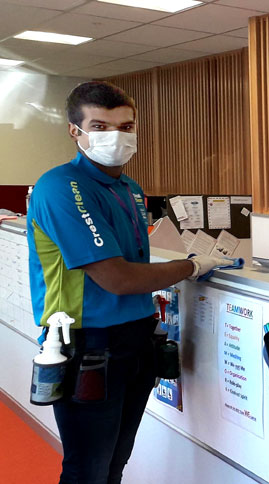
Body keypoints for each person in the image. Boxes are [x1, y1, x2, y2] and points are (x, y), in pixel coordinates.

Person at [26, 80, 227, 484]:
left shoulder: (131, 189)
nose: (116, 137)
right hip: (88, 343)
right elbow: (117, 277)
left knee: (115, 461)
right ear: (74, 130)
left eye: (126, 126)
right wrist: (191, 267)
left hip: (135, 338)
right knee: (88, 468)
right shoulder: (61, 187)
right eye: (100, 127)